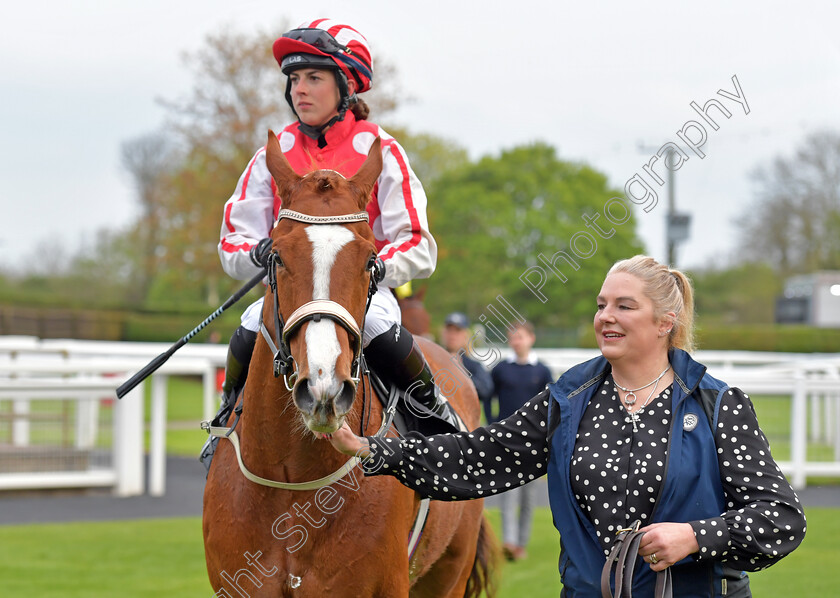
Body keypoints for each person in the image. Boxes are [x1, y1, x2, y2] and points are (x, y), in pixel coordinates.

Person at [323, 255, 807, 597]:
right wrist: (378, 451)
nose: (606, 317)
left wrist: (696, 537)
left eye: (623, 306)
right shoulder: (567, 401)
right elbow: (481, 457)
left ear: (665, 322)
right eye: (601, 305)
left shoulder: (718, 404)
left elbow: (782, 518)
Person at [200, 19, 459, 471]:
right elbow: (232, 240)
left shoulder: (382, 148)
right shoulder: (273, 151)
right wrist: (259, 253)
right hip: (291, 293)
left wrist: (377, 268)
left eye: (314, 78)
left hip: (362, 291)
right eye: (294, 79)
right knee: (247, 327)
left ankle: (435, 418)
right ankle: (228, 416)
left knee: (380, 327)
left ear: (345, 84)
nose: (300, 89)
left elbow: (417, 243)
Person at [488, 321, 553, 561]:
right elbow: (488, 396)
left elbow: (550, 406)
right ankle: (509, 542)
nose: (517, 342)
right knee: (509, 493)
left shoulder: (542, 371)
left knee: (527, 498)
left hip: (534, 444)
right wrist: (493, 422)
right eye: (513, 338)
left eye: (521, 337)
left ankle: (521, 543)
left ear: (531, 339)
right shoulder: (501, 369)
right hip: (506, 441)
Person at [441, 312, 495, 409]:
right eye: (449, 330)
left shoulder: (473, 366)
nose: (452, 335)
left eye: (457, 331)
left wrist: (461, 371)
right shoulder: (432, 360)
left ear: (465, 335)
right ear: (444, 333)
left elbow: (485, 392)